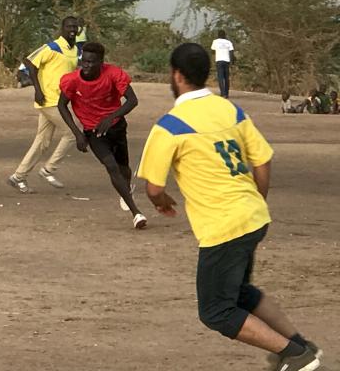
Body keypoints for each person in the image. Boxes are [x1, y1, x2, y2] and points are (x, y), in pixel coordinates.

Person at [136, 43, 323, 371]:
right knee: (239, 293)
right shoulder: (230, 110)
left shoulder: (170, 125)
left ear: (176, 75)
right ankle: (300, 345)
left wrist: (162, 201)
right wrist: (254, 202)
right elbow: (262, 160)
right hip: (252, 216)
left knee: (216, 312)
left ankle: (296, 356)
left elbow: (153, 188)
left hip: (223, 228)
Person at [56, 42, 147, 230]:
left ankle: (125, 189)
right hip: (93, 132)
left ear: (101, 62)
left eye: (91, 62)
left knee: (124, 169)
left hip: (117, 127)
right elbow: (62, 105)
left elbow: (132, 100)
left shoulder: (114, 74)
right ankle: (136, 213)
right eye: (84, 61)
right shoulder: (72, 80)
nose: (86, 65)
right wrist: (78, 133)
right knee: (111, 166)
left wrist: (112, 117)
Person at [7, 16, 81, 193]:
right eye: (69, 26)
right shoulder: (52, 47)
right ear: (62, 28)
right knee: (72, 133)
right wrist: (37, 90)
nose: (72, 29)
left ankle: (18, 177)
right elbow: (30, 63)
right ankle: (49, 169)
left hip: (60, 100)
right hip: (48, 100)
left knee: (42, 142)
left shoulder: (75, 49)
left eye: (75, 27)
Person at [211, 29, 235, 98]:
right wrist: (232, 62)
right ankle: (226, 94)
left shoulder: (215, 41)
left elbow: (212, 50)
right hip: (227, 61)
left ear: (218, 35)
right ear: (225, 35)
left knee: (220, 77)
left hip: (219, 60)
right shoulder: (228, 42)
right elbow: (231, 52)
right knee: (226, 78)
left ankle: (223, 93)